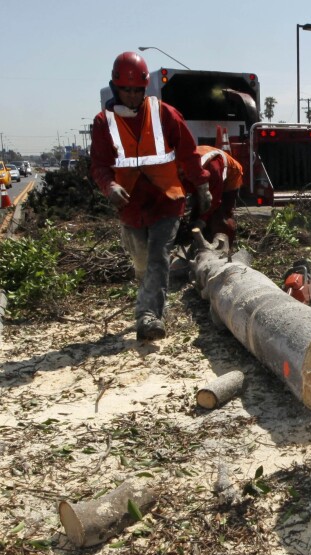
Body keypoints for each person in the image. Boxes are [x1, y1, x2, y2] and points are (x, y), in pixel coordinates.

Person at [91, 51, 211, 341]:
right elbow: (99, 165)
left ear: (145, 88)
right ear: (115, 87)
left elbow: (188, 153)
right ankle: (147, 288)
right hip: (130, 205)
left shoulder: (164, 114)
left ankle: (149, 317)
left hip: (166, 199)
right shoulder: (103, 123)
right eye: (126, 90)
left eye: (137, 90)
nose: (132, 96)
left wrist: (202, 185)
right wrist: (109, 187)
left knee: (158, 257)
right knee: (143, 261)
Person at [181, 145, 243, 246]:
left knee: (220, 216)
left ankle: (225, 246)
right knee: (197, 212)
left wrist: (202, 221)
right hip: (201, 179)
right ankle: (197, 243)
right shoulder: (179, 165)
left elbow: (215, 200)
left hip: (230, 178)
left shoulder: (212, 169)